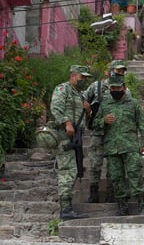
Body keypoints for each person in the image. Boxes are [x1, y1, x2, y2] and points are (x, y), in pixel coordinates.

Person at [93, 76, 144, 216]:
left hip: (130, 146)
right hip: (112, 148)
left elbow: (143, 125)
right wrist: (103, 121)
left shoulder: (133, 104)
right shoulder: (105, 105)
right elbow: (94, 124)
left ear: (124, 87)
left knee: (135, 174)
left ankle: (142, 205)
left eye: (118, 88)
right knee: (116, 177)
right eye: (112, 88)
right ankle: (122, 206)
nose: (115, 90)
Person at [83, 60, 129, 203]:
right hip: (98, 131)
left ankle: (111, 193)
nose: (119, 74)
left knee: (113, 165)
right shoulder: (97, 86)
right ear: (109, 71)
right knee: (95, 163)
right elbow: (82, 99)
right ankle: (93, 192)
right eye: (117, 71)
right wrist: (88, 109)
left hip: (115, 133)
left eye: (122, 72)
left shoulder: (124, 90)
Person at [50, 65, 92, 220]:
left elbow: (85, 119)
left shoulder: (79, 94)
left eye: (86, 78)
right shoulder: (63, 89)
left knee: (75, 170)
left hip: (76, 136)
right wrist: (66, 122)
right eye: (82, 77)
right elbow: (56, 107)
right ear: (73, 75)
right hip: (65, 135)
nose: (84, 80)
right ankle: (65, 209)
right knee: (68, 170)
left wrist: (88, 111)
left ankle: (68, 208)